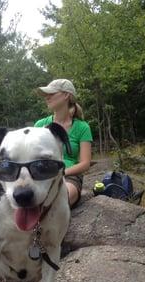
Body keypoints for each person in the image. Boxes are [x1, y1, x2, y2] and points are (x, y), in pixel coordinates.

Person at [34, 79, 93, 208]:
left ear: (66, 95)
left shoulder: (82, 127)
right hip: (41, 176)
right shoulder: (39, 125)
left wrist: (60, 173)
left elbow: (85, 163)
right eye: (45, 95)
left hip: (70, 176)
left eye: (51, 93)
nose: (47, 97)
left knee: (59, 200)